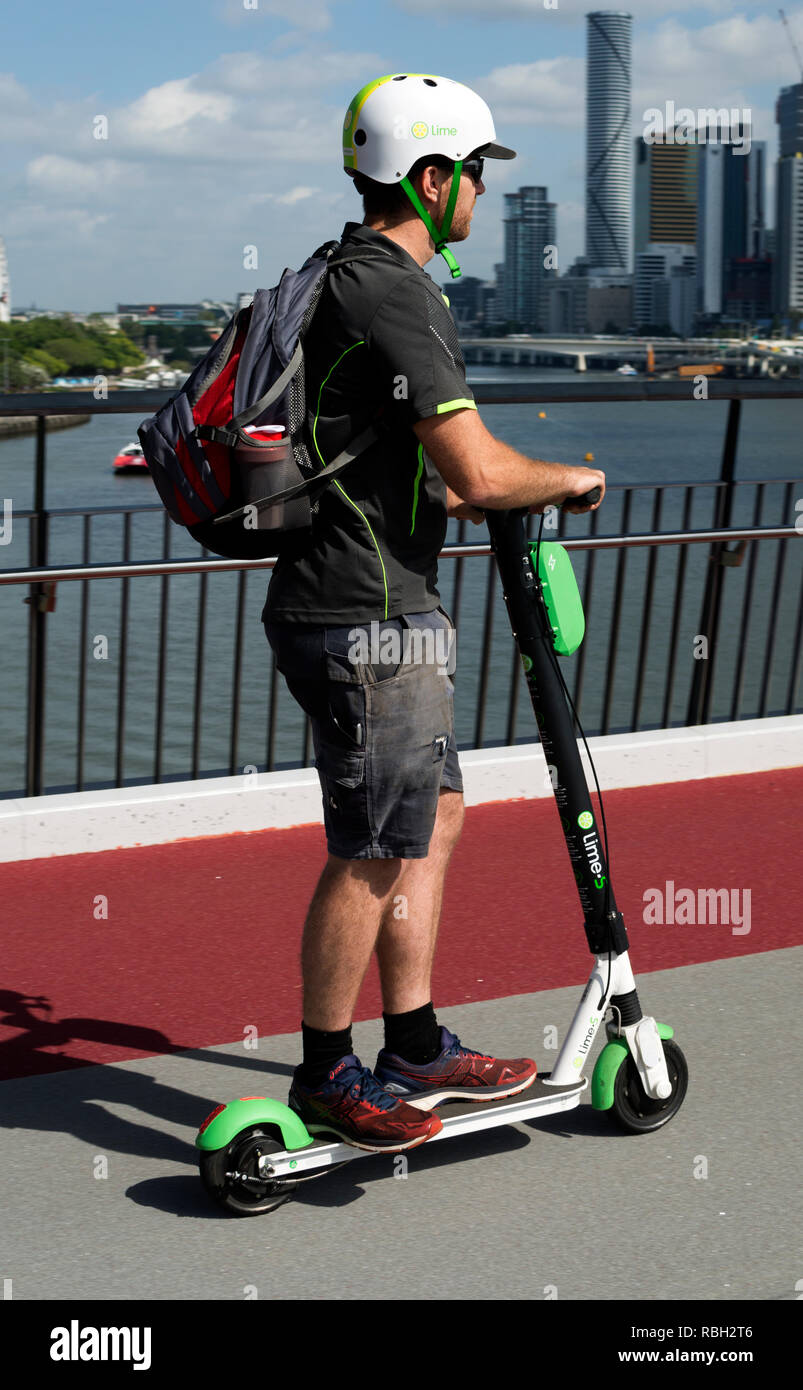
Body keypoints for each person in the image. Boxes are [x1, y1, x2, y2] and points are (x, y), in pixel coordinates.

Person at [262, 73, 605, 1154]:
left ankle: (411, 1040)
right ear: (429, 176)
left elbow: (436, 481)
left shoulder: (344, 276)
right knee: (369, 846)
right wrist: (568, 477)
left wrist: (500, 481)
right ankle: (325, 1073)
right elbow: (479, 471)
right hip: (362, 615)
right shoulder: (392, 289)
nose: (481, 196)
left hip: (371, 602)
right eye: (474, 174)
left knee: (429, 818)